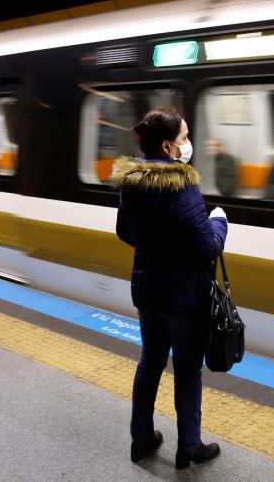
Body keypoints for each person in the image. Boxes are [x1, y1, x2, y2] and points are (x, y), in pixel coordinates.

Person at [111, 107, 228, 469]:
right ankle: (188, 448)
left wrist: (157, 244)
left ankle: (142, 439)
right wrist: (220, 223)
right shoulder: (182, 185)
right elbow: (207, 248)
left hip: (148, 290)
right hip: (184, 297)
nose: (188, 144)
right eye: (184, 137)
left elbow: (125, 232)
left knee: (150, 362)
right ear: (167, 145)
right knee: (188, 370)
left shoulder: (131, 184)